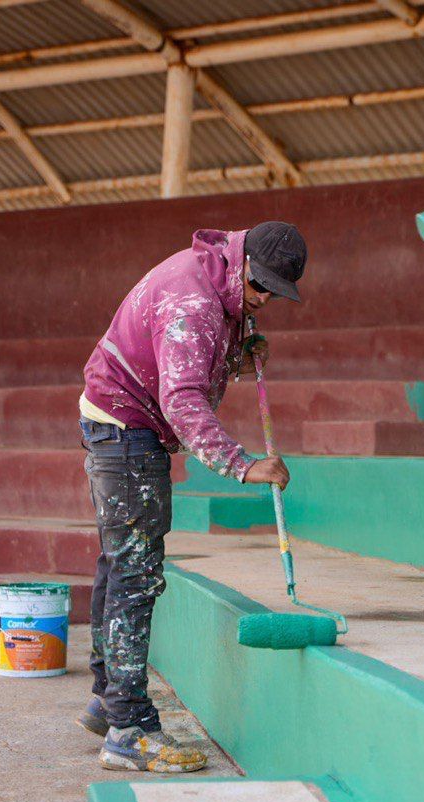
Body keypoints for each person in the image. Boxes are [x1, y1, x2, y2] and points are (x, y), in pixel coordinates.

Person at [74, 222, 306, 772]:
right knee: (136, 573)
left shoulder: (220, 278)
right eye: (261, 286)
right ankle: (129, 728)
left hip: (117, 419)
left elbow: (207, 343)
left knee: (120, 562)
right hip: (127, 427)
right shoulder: (194, 301)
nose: (265, 299)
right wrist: (243, 465)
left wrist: (237, 348)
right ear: (243, 259)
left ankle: (108, 700)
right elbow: (181, 400)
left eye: (276, 291)